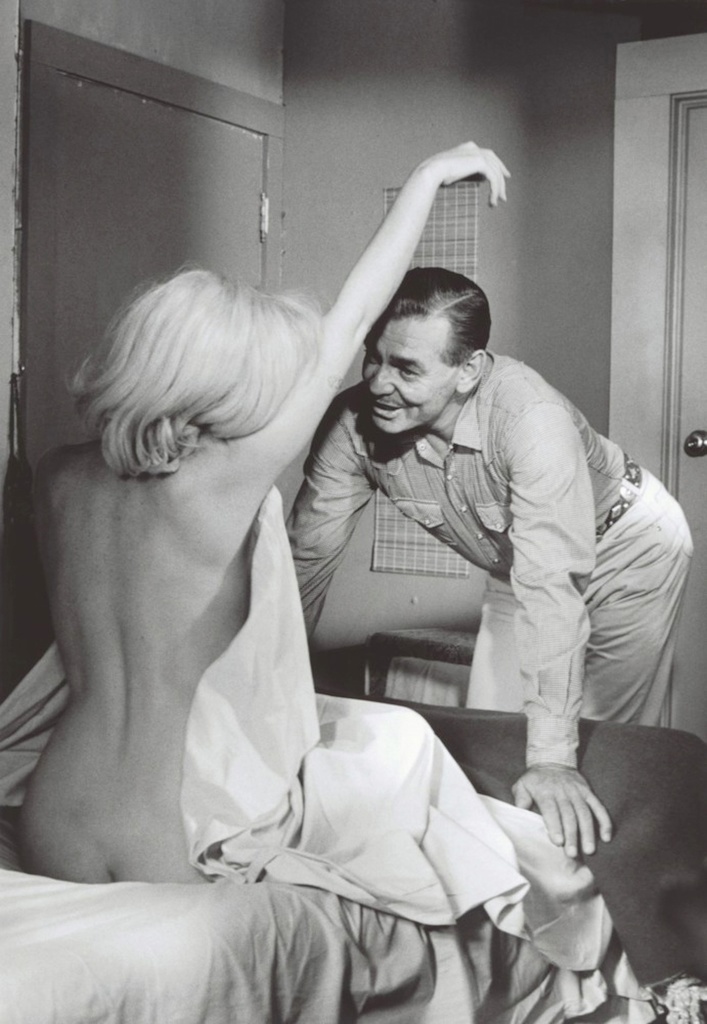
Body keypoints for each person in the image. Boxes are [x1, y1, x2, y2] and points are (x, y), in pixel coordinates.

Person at [17, 140, 514, 890]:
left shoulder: (55, 475)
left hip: (52, 809)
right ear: (226, 381)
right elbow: (349, 322)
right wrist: (430, 175)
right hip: (153, 820)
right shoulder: (219, 484)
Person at [287, 265, 693, 863]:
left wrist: (553, 760)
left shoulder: (531, 419)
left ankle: (607, 893)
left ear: (469, 370)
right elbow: (306, 557)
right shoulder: (352, 426)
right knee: (493, 735)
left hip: (628, 547)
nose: (377, 383)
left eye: (406, 369)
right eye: (374, 358)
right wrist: (268, 685)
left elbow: (552, 586)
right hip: (518, 559)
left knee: (592, 751)